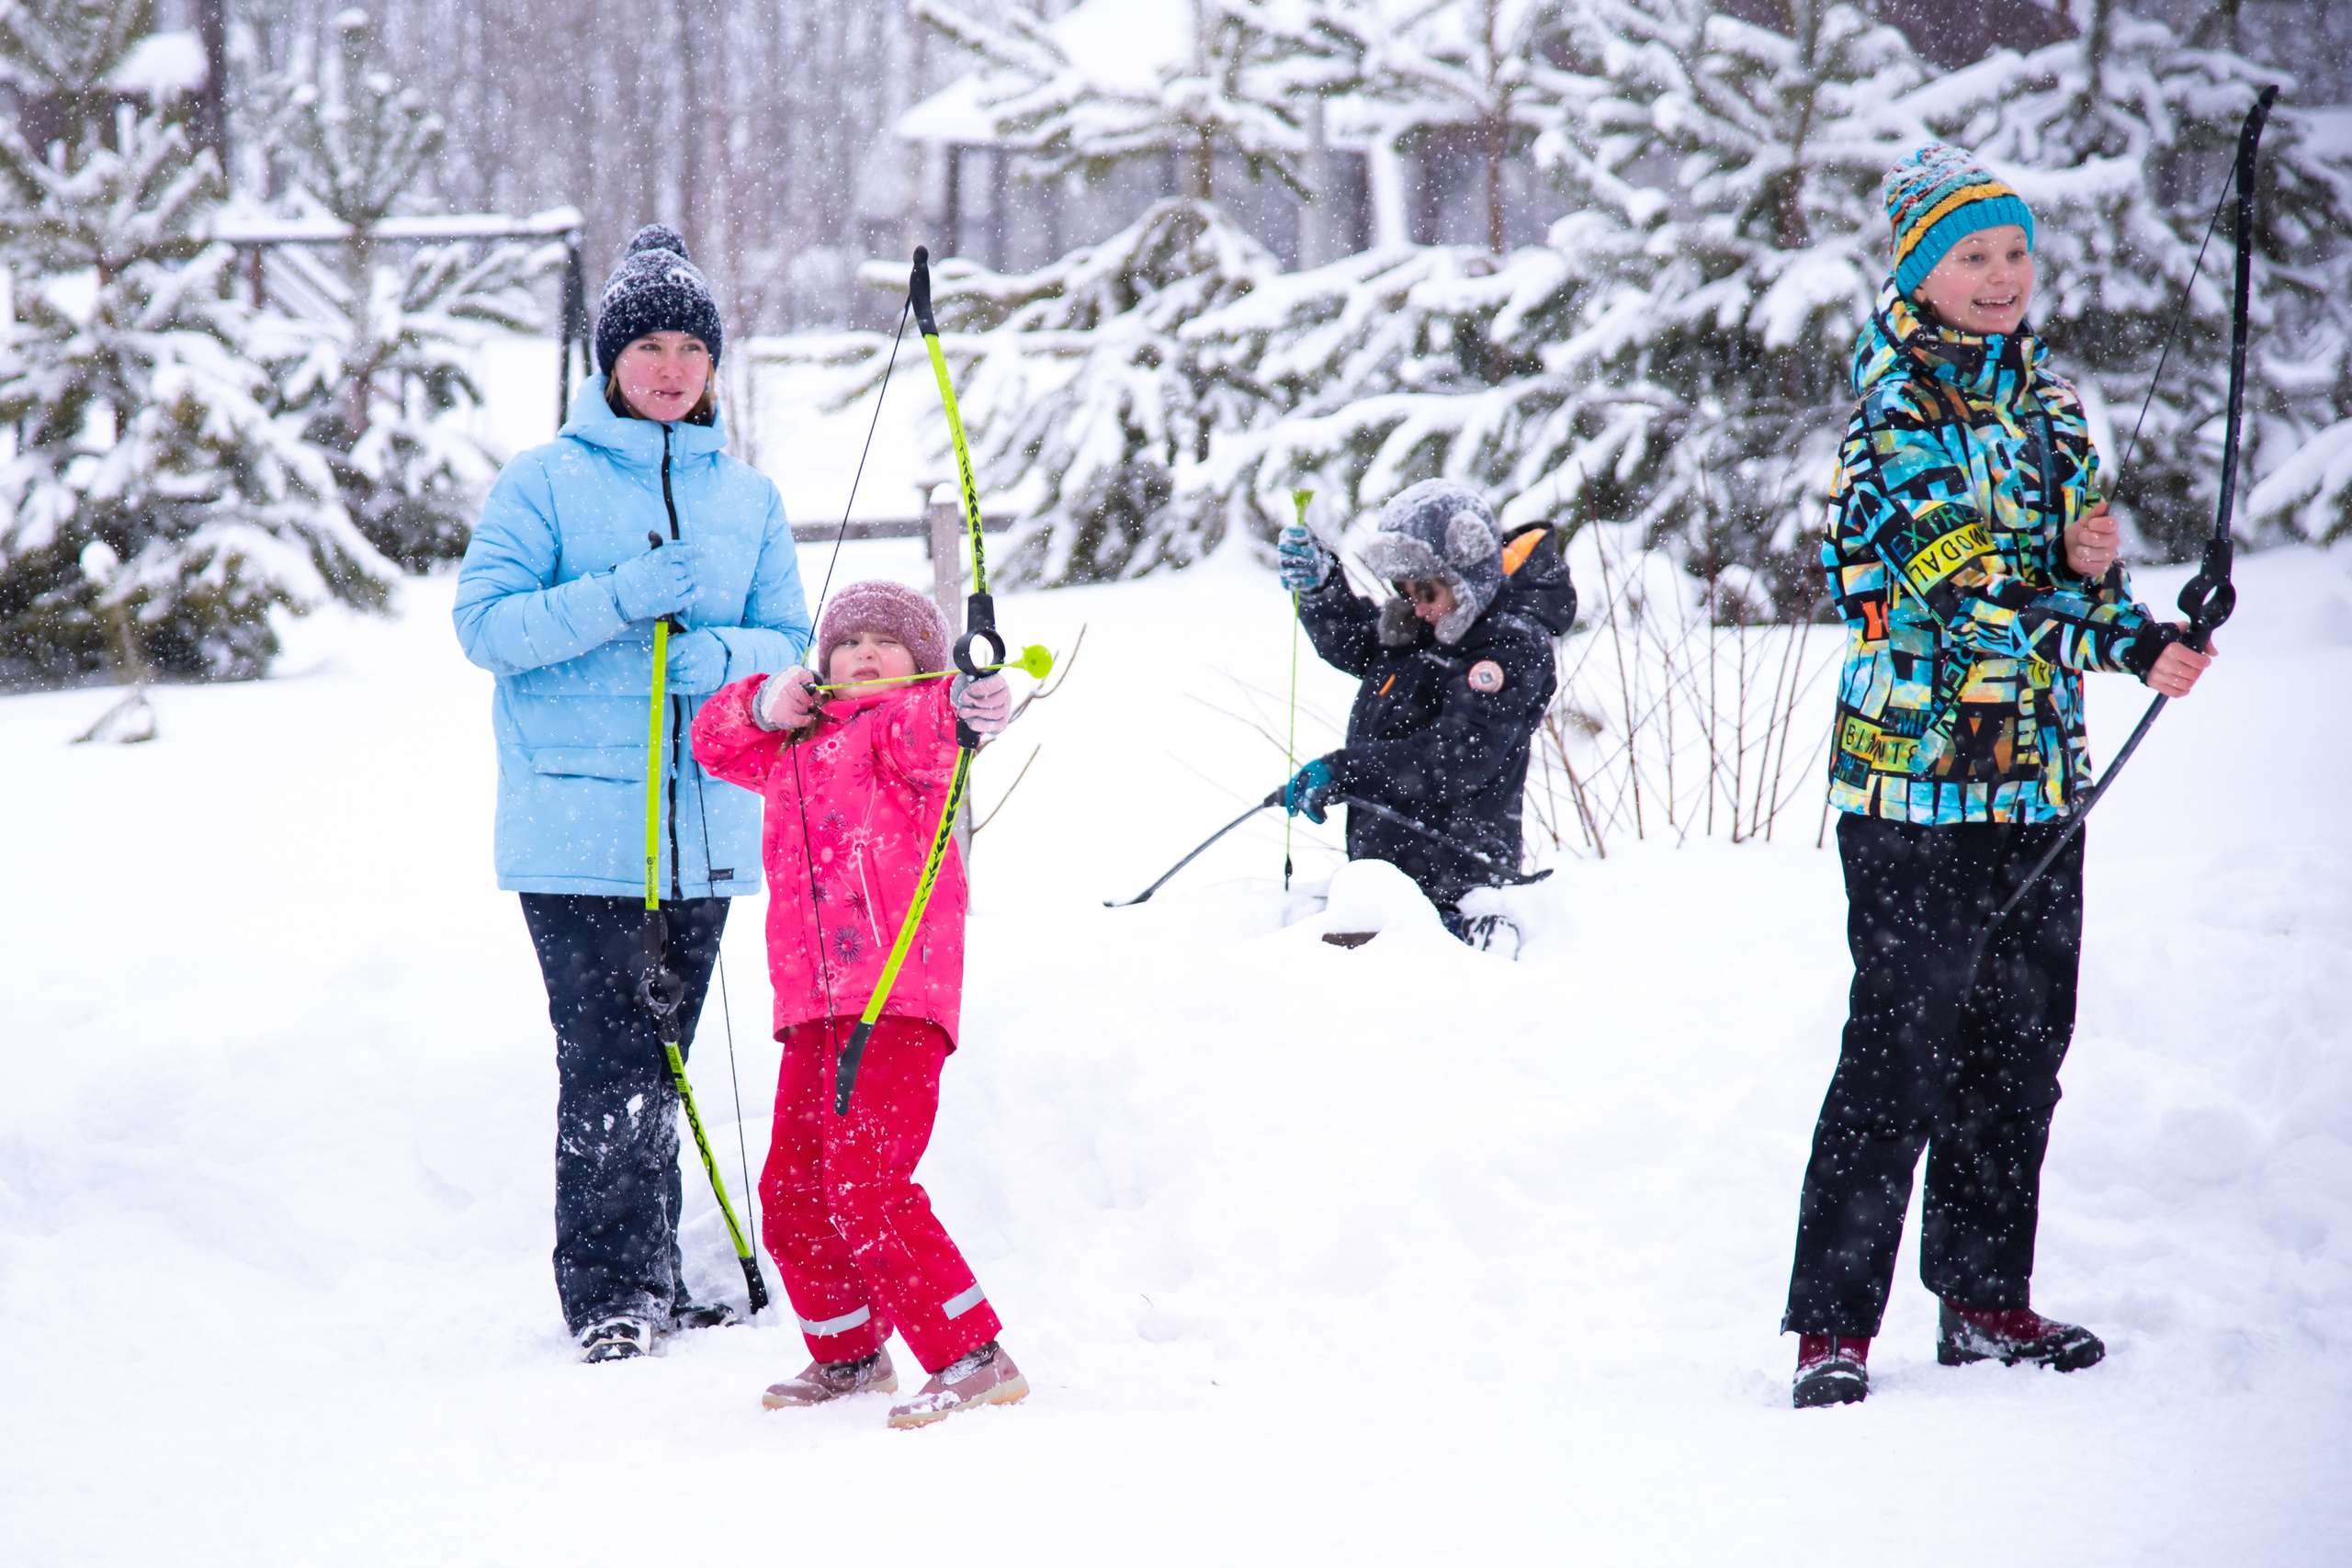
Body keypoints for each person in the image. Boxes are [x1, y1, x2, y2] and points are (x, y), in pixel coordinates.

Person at [1785, 146, 2216, 1408]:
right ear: (1918, 275)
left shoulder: (2058, 407)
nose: (1999, 277)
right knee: (1898, 1049)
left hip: (2035, 776)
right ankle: (1833, 1327)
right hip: (1914, 785)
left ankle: (1982, 1301)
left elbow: (2075, 586)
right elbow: (1967, 588)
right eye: (1970, 256)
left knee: (2021, 1047)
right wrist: (2114, 635)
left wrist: (2125, 602)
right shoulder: (1890, 420)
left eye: (2014, 252)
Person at [453, 224, 809, 1364]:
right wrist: (619, 597)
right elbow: (487, 627)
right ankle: (609, 1293)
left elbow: (796, 649)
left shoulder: (747, 498)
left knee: (659, 1063)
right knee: (608, 1061)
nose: (669, 366)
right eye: (647, 344)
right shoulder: (544, 482)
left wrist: (714, 661)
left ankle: (651, 1275)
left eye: (689, 347)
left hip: (703, 826)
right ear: (610, 360)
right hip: (578, 831)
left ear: (713, 366)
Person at [691, 579, 1027, 1430]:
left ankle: (971, 1353)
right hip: (814, 1005)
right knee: (794, 1185)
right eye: (848, 643)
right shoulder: (792, 743)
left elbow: (947, 723)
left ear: (917, 664)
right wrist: (766, 702)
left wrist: (970, 697)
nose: (864, 653)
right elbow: (713, 742)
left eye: (887, 642)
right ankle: (847, 1349)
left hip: (898, 995)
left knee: (866, 1179)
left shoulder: (904, 732)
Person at [1272, 479, 1576, 953]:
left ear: (1464, 575)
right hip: (1393, 888)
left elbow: (1458, 757)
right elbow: (1359, 645)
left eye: (1427, 592)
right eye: (1406, 592)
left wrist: (1345, 770)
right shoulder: (1427, 628)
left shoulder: (1507, 646)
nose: (1418, 608)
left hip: (1458, 893)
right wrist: (1322, 587)